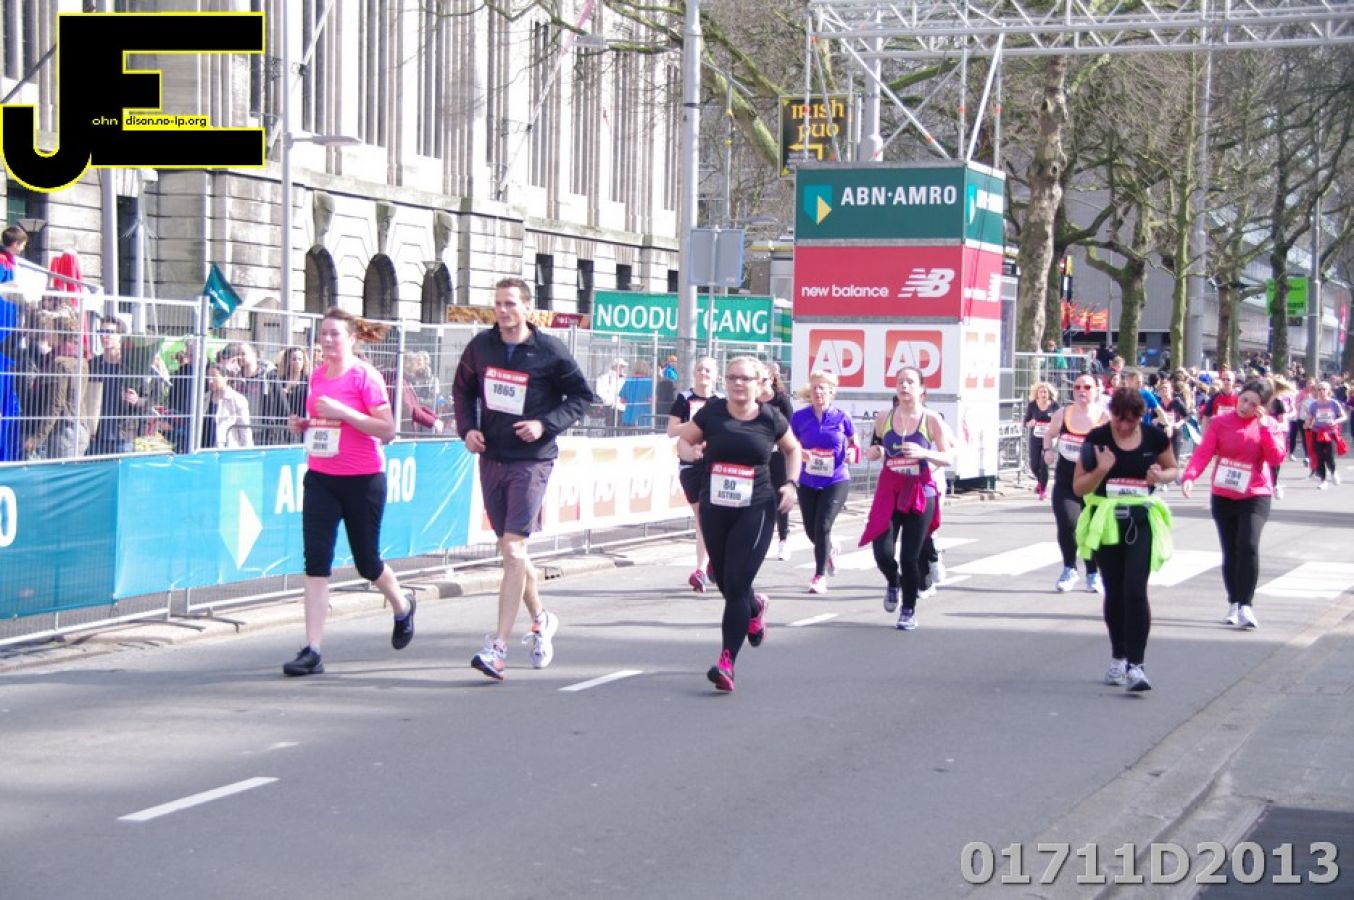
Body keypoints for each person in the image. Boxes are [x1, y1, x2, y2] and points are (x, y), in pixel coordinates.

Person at [453, 277, 593, 680]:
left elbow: (582, 397)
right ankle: (541, 618)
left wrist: (544, 425)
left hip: (532, 460)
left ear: (528, 308)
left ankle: (497, 647)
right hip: (492, 456)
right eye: (498, 303)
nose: (503, 310)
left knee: (514, 550)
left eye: (511, 303)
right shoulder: (481, 346)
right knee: (511, 550)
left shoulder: (548, 350)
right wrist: (467, 429)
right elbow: (462, 390)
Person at [281, 307, 417, 676]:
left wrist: (344, 412)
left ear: (352, 338)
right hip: (321, 477)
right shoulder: (317, 376)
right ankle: (312, 649)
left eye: (334, 334)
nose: (327, 340)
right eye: (323, 333)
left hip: (363, 479)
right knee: (316, 563)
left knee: (366, 562)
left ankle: (402, 605)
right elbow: (324, 423)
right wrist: (305, 424)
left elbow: (387, 430)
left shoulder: (365, 376)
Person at [675, 356, 801, 692]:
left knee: (737, 581)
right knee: (725, 581)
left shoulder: (770, 417)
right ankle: (755, 606)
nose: (737, 383)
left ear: (759, 383)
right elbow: (684, 440)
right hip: (716, 505)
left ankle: (727, 662)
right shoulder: (712, 412)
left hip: (755, 507)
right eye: (732, 377)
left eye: (745, 378)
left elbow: (793, 449)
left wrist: (791, 484)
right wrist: (689, 453)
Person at [1073, 387, 1178, 692]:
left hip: (1140, 520)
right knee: (1115, 591)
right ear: (1112, 414)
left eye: (1131, 421)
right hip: (1107, 522)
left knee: (1135, 590)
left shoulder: (1154, 437)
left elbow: (1173, 469)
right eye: (1119, 419)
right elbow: (1078, 487)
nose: (1123, 426)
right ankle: (1118, 656)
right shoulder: (1097, 439)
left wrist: (1160, 476)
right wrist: (1102, 469)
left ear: (1140, 417)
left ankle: (1137, 665)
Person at [1179, 378, 1285, 630]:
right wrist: (1190, 476)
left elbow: (1276, 457)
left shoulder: (1270, 425)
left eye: (1253, 404)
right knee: (1231, 550)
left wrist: (1263, 428)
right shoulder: (1220, 422)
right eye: (1243, 399)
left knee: (1247, 545)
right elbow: (1204, 452)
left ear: (1263, 407)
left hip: (1255, 493)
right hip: (1224, 493)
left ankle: (1246, 605)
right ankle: (1234, 602)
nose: (1245, 406)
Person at [862, 366, 956, 631]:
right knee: (882, 553)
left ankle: (908, 610)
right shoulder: (884, 417)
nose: (904, 386)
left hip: (920, 492)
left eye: (910, 382)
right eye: (900, 382)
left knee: (909, 557)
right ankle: (893, 581)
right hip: (890, 491)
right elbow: (876, 446)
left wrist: (924, 453)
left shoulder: (931, 419)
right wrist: (874, 452)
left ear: (922, 389)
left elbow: (948, 456)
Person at [1042, 373, 1109, 593]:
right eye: (1077, 387)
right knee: (1068, 524)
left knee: (1091, 529)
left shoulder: (1104, 418)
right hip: (1066, 481)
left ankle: (1093, 573)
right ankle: (1069, 568)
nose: (1082, 391)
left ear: (1096, 391)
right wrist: (1047, 450)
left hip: (1093, 484)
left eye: (1087, 387)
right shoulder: (1063, 414)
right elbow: (1049, 434)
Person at [791, 370, 857, 594]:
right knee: (812, 532)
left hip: (836, 479)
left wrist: (852, 453)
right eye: (814, 387)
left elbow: (854, 442)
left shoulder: (842, 417)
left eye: (822, 387)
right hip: (807, 480)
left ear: (831, 391)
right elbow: (789, 444)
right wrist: (800, 452)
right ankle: (830, 548)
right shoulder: (800, 417)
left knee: (823, 525)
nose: (818, 391)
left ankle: (819, 576)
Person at [667, 355, 721, 592]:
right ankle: (703, 568)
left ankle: (707, 565)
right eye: (700, 369)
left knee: (712, 517)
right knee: (701, 516)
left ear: (716, 375)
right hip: (690, 463)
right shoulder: (684, 398)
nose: (703, 374)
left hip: (714, 465)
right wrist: (697, 425)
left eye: (708, 370)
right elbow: (671, 430)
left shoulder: (720, 402)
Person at [759, 363, 795, 559]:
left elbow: (789, 428)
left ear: (772, 379)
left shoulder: (781, 400)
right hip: (757, 455)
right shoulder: (753, 399)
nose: (760, 383)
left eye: (764, 379)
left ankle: (783, 539)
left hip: (777, 454)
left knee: (780, 494)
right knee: (759, 496)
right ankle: (759, 539)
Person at [1303, 381, 1347, 489]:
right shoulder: (1314, 405)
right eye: (1319, 389)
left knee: (1329, 456)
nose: (1321, 391)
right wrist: (1307, 423)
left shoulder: (1334, 403)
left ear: (1328, 390)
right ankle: (1323, 480)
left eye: (1324, 389)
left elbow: (1343, 416)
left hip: (1330, 432)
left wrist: (1335, 421)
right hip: (1317, 432)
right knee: (1319, 457)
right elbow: (1309, 418)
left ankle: (1333, 471)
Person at [1024, 380, 1060, 501]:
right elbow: (1025, 422)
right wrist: (1030, 423)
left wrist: (1056, 430)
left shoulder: (1054, 406)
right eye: (1041, 392)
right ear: (1037, 394)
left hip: (1049, 439)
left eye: (1045, 392)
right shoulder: (1032, 405)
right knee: (1034, 465)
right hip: (1035, 438)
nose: (1043, 394)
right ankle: (1040, 481)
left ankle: (1043, 490)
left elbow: (1061, 421)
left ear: (1049, 394)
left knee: (1044, 464)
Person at [268, 346, 312, 443]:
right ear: (288, 361)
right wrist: (287, 388)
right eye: (294, 359)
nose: (297, 362)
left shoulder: (307, 380)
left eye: (300, 359)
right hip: (284, 424)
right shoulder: (280, 379)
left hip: (301, 423)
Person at [205, 363, 254, 448]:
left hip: (225, 450)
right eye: (208, 377)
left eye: (214, 377)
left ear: (225, 377)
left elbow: (245, 430)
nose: (210, 381)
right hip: (202, 449)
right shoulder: (204, 398)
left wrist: (248, 452)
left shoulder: (237, 400)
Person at [594, 358, 627, 428]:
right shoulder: (605, 378)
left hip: (621, 409)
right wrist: (611, 402)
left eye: (623, 367)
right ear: (615, 367)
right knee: (611, 429)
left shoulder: (623, 379)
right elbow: (600, 393)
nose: (622, 369)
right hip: (610, 408)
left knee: (619, 429)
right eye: (621, 367)